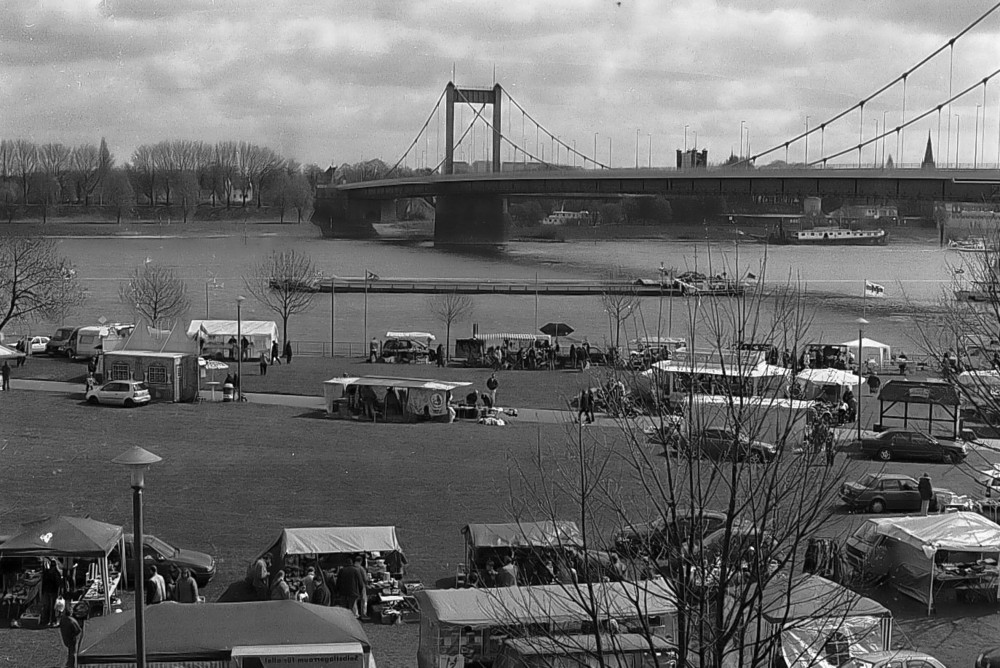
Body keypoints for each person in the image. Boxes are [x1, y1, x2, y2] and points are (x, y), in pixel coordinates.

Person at [336, 555, 369, 619]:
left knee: (344, 605)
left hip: (343, 591)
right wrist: (361, 589)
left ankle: (344, 617)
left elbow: (338, 581)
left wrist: (337, 590)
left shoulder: (342, 570)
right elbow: (360, 582)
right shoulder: (356, 570)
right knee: (353, 605)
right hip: (353, 591)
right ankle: (354, 617)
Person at [40, 559, 63, 627]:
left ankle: (46, 620)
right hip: (53, 592)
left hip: (47, 591)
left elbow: (43, 582)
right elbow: (58, 583)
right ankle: (52, 620)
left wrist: (43, 591)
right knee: (53, 607)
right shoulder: (56, 573)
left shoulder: (47, 572)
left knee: (47, 606)